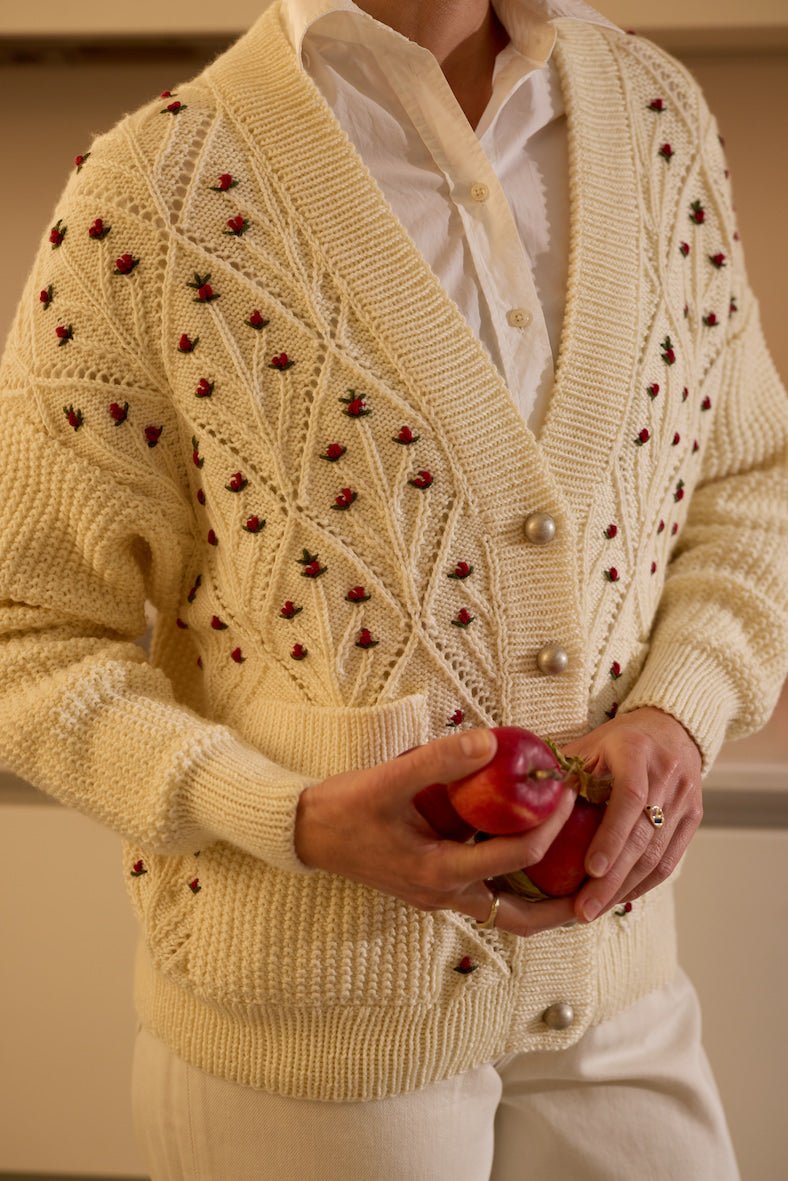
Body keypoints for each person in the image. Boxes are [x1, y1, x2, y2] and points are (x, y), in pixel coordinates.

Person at [0, 0, 785, 1176]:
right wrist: (291, 816)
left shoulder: (652, 112)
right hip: (308, 1041)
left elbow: (746, 481)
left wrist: (681, 704)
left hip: (618, 993)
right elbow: (30, 635)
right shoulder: (154, 191)